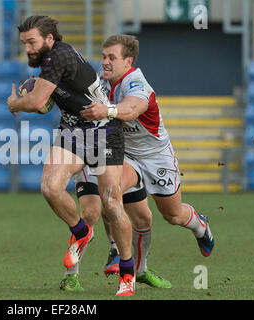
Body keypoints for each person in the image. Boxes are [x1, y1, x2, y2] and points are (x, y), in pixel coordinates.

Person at [60, 34, 215, 292]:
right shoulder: (101, 82)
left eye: (112, 58)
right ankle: (117, 252)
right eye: (104, 56)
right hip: (125, 154)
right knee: (110, 191)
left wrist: (107, 111)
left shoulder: (136, 83)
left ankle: (200, 225)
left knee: (173, 214)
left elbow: (131, 110)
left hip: (156, 156)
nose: (106, 62)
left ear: (128, 61)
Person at [6, 16, 136, 296]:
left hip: (104, 131)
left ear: (49, 39)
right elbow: (45, 97)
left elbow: (39, 101)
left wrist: (16, 102)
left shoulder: (59, 56)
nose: (27, 48)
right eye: (24, 43)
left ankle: (127, 272)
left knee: (112, 206)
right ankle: (81, 231)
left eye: (32, 42)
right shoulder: (49, 61)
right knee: (50, 187)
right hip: (74, 130)